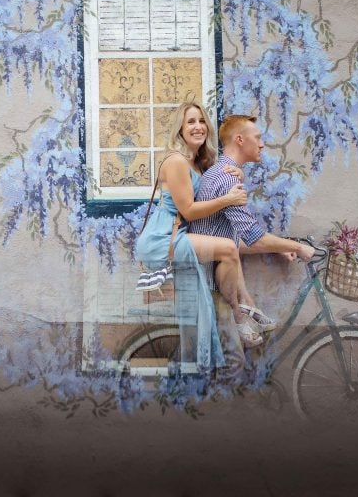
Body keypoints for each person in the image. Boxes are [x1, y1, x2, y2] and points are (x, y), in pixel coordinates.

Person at [135, 102, 255, 370]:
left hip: (177, 235)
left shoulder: (198, 163)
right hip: (163, 238)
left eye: (202, 121)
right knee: (227, 249)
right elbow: (188, 211)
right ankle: (243, 312)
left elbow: (214, 186)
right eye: (190, 121)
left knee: (230, 248)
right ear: (180, 128)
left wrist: (239, 172)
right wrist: (228, 199)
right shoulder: (176, 161)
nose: (198, 126)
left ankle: (242, 313)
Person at [189, 114, 315, 348]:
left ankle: (247, 309)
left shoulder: (223, 173)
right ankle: (244, 311)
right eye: (257, 137)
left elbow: (231, 239)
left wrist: (279, 246)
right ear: (239, 140)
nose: (261, 143)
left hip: (216, 274)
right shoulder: (227, 180)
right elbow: (252, 236)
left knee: (232, 361)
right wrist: (297, 246)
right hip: (210, 283)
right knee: (231, 362)